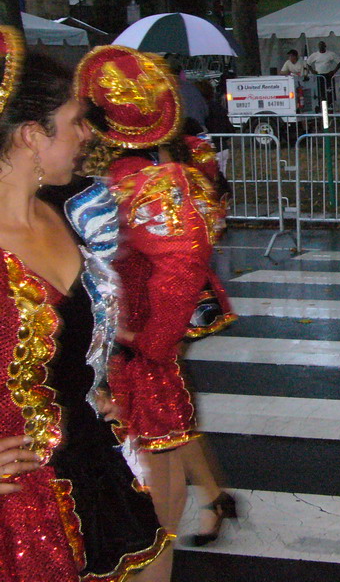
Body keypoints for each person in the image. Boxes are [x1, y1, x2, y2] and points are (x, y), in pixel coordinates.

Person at [0, 30, 168, 581]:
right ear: (30, 136)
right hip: (23, 501)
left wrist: (93, 389)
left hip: (93, 458)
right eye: (74, 121)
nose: (87, 134)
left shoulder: (67, 210)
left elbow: (76, 337)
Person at [78, 46, 239, 574]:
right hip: (119, 344)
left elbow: (185, 258)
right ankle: (214, 497)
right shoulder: (134, 169)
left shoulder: (151, 170)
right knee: (161, 438)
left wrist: (149, 341)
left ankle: (205, 506)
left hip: (134, 341)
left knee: (158, 450)